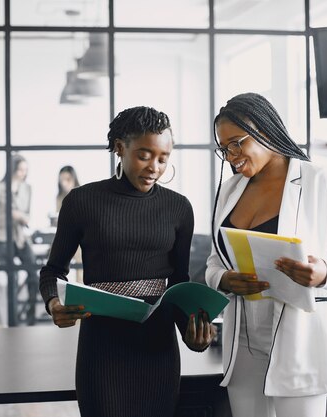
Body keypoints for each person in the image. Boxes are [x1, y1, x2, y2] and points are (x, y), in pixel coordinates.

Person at [39, 106, 216, 417]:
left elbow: (178, 281)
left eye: (163, 158)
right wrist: (54, 303)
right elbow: (52, 272)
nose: (155, 167)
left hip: (157, 348)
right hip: (103, 348)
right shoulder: (81, 202)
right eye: (144, 155)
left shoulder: (178, 208)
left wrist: (192, 337)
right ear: (120, 148)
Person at [205, 93, 327, 417]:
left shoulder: (319, 179)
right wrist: (224, 279)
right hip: (244, 345)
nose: (231, 156)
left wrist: (323, 272)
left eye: (237, 143)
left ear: (264, 131)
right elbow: (213, 262)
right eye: (224, 149)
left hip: (301, 343)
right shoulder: (229, 189)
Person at [0, 153, 39, 325]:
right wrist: (10, 216)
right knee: (13, 274)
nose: (23, 173)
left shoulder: (27, 188)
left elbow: (28, 213)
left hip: (20, 237)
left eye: (25, 170)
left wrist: (23, 217)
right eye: (20, 169)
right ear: (12, 169)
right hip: (1, 238)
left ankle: (30, 315)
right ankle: (13, 319)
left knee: (34, 272)